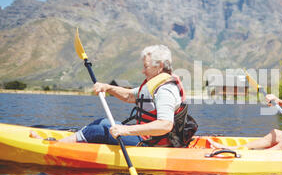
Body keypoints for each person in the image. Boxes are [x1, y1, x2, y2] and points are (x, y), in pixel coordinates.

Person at [30, 45, 196, 147]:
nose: (142, 70)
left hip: (151, 144)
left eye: (145, 66)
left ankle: (53, 146)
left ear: (159, 66)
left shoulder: (165, 90)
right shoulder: (154, 83)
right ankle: (61, 141)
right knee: (101, 122)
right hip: (146, 138)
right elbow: (129, 96)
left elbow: (165, 125)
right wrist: (107, 87)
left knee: (97, 131)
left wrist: (125, 130)